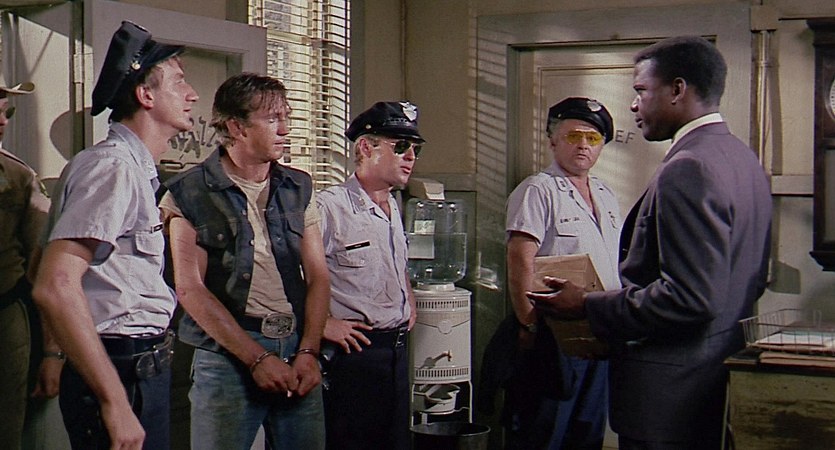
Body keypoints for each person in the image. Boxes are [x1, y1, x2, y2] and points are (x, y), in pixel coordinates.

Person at [530, 36, 772, 450]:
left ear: (677, 89)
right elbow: (749, 280)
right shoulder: (743, 159)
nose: (632, 105)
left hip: (668, 399)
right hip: (711, 382)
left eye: (641, 90)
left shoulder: (689, 167)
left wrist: (587, 305)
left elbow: (691, 298)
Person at [32, 21, 199, 450]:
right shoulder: (112, 168)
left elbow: (46, 268)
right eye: (179, 82)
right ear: (146, 96)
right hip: (122, 370)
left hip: (140, 366)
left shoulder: (132, 170)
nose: (192, 95)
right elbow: (54, 284)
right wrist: (115, 402)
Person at [161, 72, 330, 450]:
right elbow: (190, 289)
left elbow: (318, 276)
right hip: (227, 356)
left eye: (286, 117)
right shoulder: (189, 192)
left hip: (297, 348)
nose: (285, 129)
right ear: (237, 127)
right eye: (272, 119)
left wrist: (309, 350)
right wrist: (256, 359)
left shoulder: (298, 187)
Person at [505, 97, 620, 449]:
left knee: (587, 432)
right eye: (573, 136)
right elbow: (520, 259)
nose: (583, 145)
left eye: (592, 138)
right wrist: (528, 324)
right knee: (546, 431)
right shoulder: (538, 189)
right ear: (553, 140)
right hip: (553, 335)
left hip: (598, 330)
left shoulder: (605, 194)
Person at [316, 101, 421, 450]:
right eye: (400, 146)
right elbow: (293, 274)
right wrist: (322, 324)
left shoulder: (393, 207)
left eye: (415, 149)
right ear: (365, 147)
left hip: (396, 351)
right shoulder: (330, 207)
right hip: (353, 355)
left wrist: (408, 300)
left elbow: (393, 263)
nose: (411, 157)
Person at [0, 81, 59, 450]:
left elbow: (44, 268)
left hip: (5, 319)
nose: (2, 121)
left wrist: (52, 352)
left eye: (5, 112)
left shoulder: (19, 177)